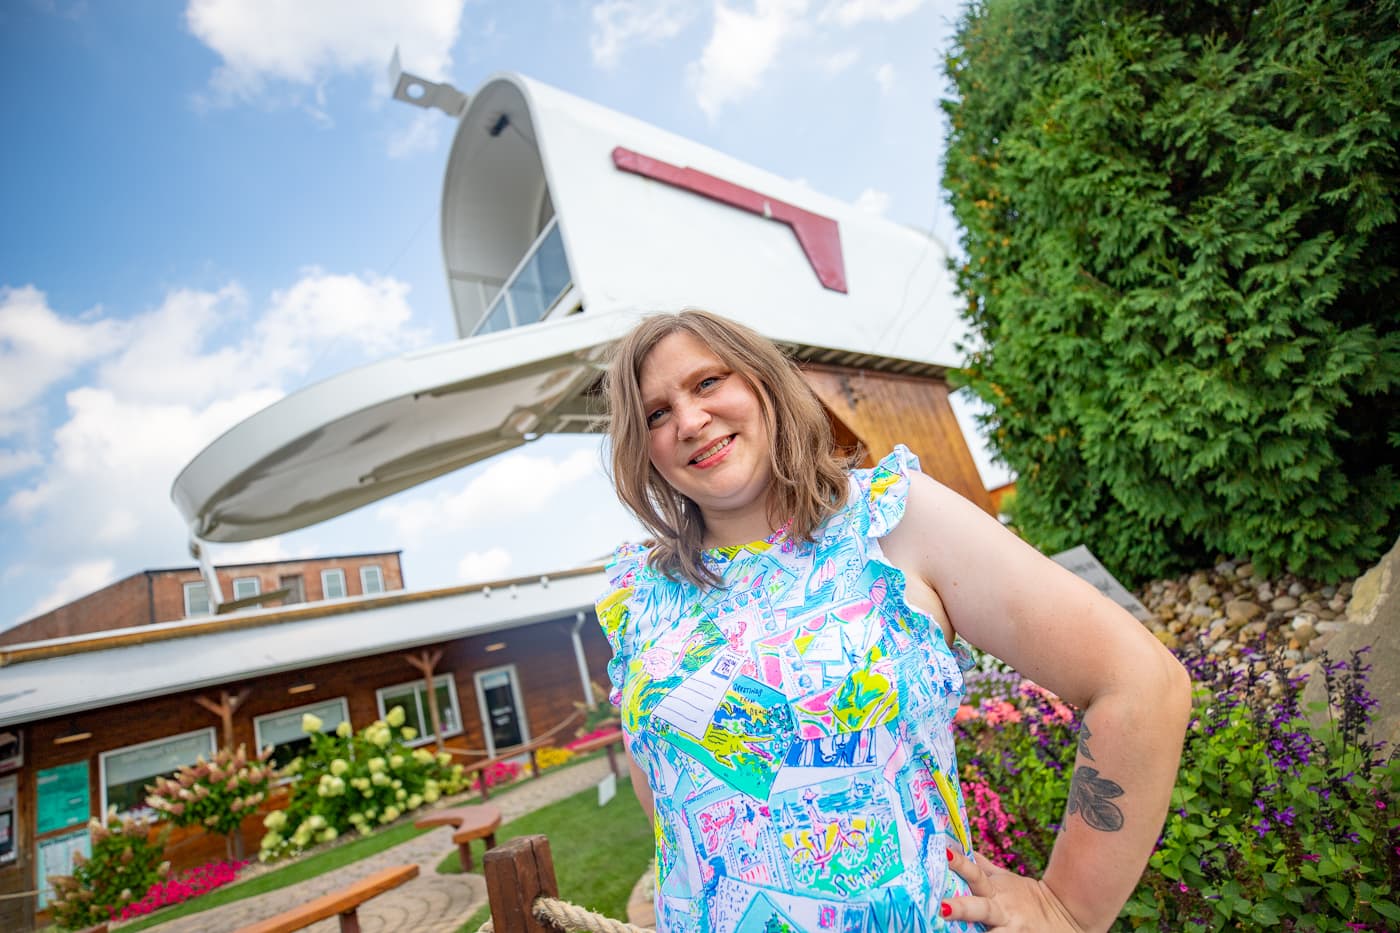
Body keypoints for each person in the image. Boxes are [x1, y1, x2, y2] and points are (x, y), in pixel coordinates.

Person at [596, 309, 1191, 932]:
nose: (690, 421)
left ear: (764, 383)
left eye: (708, 383)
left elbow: (1141, 682)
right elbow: (668, 803)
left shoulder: (892, 521)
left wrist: (1066, 908)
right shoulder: (639, 596)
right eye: (656, 414)